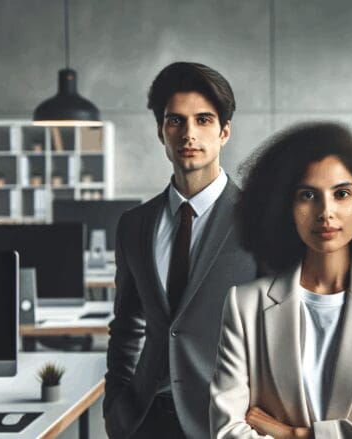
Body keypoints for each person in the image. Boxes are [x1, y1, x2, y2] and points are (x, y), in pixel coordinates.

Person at [209, 122, 352, 438]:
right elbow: (226, 431)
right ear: (287, 206)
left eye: (341, 194)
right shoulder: (245, 305)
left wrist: (294, 435)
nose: (325, 212)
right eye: (307, 195)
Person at [104, 62, 258, 438]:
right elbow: (127, 325)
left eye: (203, 120)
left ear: (224, 132)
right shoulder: (134, 225)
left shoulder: (260, 221)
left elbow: (275, 332)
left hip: (223, 421)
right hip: (143, 419)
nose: (189, 133)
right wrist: (115, 405)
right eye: (176, 121)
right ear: (161, 132)